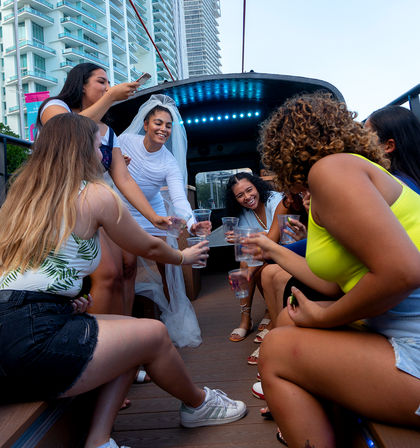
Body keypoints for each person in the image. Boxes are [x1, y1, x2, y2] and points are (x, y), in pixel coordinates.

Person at [0, 114, 247, 448]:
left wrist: (65, 299)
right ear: (81, 149)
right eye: (98, 147)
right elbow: (144, 244)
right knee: (154, 334)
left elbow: (24, 275)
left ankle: (99, 441)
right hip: (33, 342)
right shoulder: (94, 194)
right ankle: (199, 404)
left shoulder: (19, 201)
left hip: (10, 336)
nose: (103, 154)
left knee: (125, 332)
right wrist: (183, 257)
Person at [245, 91, 420, 447]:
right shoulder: (351, 170)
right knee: (289, 320)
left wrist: (324, 319)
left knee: (276, 350)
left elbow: (403, 272)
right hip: (402, 332)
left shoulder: (331, 171)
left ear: (287, 149)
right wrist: (273, 249)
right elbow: (333, 284)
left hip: (415, 348)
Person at [36, 63, 171, 316]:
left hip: (97, 202)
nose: (108, 87)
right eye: (101, 82)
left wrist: (154, 217)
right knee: (108, 273)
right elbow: (67, 130)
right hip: (60, 202)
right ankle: (98, 338)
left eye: (109, 84)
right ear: (81, 84)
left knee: (127, 266)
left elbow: (124, 180)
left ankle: (125, 330)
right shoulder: (55, 108)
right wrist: (111, 98)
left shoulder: (108, 133)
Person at [118, 94, 211, 348]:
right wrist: (115, 165)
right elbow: (105, 170)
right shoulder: (124, 141)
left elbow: (179, 198)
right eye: (158, 123)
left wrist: (191, 223)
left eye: (168, 125)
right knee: (126, 267)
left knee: (168, 263)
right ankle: (123, 324)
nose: (163, 129)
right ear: (146, 124)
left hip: (153, 213)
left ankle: (175, 317)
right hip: (121, 211)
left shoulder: (169, 162)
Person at [224, 172, 286, 344]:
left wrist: (244, 237)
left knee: (250, 262)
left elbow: (278, 235)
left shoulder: (275, 199)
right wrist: (242, 238)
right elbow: (249, 243)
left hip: (286, 250)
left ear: (257, 186)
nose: (247, 197)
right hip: (264, 254)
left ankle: (262, 316)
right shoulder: (243, 213)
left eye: (249, 190)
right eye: (240, 195)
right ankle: (247, 318)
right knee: (248, 256)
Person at [365, 105, 420, 194]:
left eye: (366, 136)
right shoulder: (412, 180)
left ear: (389, 146)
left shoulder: (388, 186)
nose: (360, 140)